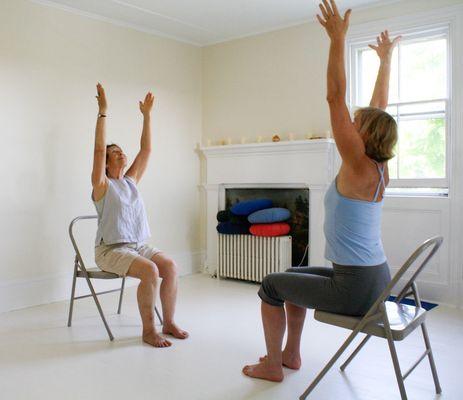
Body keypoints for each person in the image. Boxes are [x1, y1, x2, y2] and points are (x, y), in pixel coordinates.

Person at [243, 0, 400, 382]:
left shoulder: (358, 163)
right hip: (376, 279)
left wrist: (337, 39)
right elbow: (379, 108)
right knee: (292, 276)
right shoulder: (378, 168)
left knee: (270, 286)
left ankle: (272, 364)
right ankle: (291, 354)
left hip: (355, 288)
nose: (351, 121)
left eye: (355, 122)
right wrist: (384, 62)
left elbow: (334, 97)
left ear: (363, 136)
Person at [91, 83, 188, 347]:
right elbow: (98, 150)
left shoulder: (131, 181)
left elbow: (145, 151)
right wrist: (103, 112)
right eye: (114, 153)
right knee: (150, 270)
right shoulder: (102, 185)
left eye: (121, 150)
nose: (121, 153)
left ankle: (168, 322)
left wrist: (146, 116)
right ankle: (149, 330)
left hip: (137, 246)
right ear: (107, 163)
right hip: (110, 251)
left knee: (169, 266)